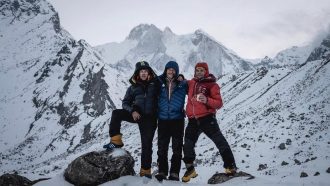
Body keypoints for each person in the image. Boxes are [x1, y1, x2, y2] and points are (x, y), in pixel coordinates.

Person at [181, 62, 237, 182]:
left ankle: (230, 166)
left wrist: (206, 100)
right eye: (197, 70)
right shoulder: (191, 83)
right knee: (187, 145)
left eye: (202, 70)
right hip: (192, 120)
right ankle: (190, 170)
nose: (199, 72)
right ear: (195, 71)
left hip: (207, 118)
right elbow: (183, 82)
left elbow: (219, 103)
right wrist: (180, 77)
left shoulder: (212, 85)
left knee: (219, 141)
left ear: (206, 71)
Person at [103, 61, 159, 178]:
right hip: (137, 115)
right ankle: (116, 140)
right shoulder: (132, 87)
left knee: (146, 145)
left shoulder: (155, 84)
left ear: (149, 72)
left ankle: (145, 171)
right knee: (116, 113)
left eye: (145, 71)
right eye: (141, 71)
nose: (143, 73)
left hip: (150, 118)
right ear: (137, 73)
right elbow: (125, 103)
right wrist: (132, 111)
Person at [155, 61, 187, 182]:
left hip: (177, 120)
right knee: (162, 147)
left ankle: (174, 173)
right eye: (169, 69)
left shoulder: (183, 84)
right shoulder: (159, 81)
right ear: (165, 70)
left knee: (177, 148)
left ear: (177, 71)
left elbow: (193, 89)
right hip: (163, 119)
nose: (171, 71)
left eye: (173, 70)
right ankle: (162, 171)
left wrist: (182, 77)